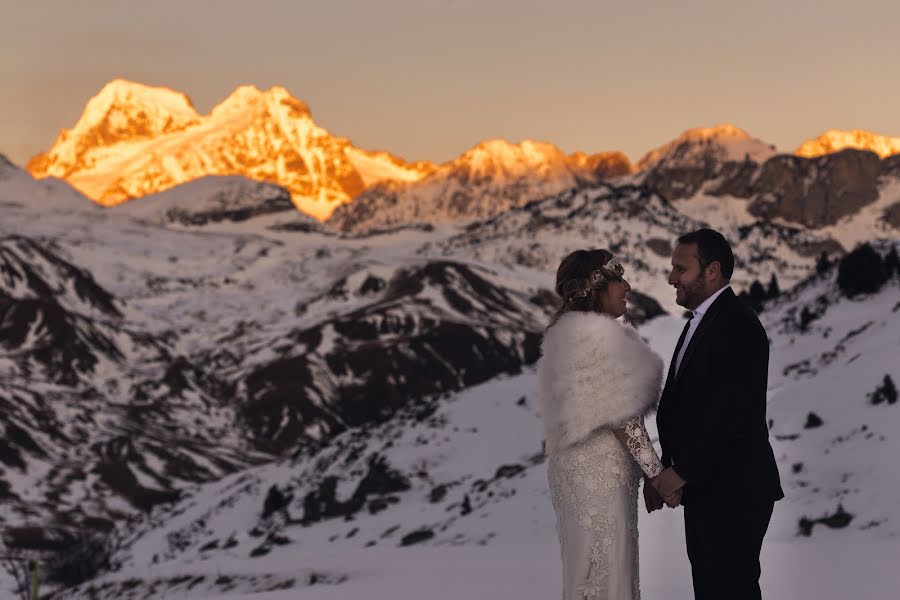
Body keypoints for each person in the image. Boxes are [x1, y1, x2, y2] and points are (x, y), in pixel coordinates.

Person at [537, 249, 681, 600]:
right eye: (619, 280)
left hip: (584, 469)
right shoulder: (596, 337)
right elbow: (622, 416)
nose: (628, 286)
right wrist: (657, 474)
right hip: (597, 473)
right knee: (606, 566)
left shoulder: (568, 335)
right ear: (595, 288)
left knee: (590, 565)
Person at [655, 228, 784, 600]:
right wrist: (671, 468)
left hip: (734, 492)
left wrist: (679, 473)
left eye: (681, 269)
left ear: (711, 271)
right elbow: (688, 407)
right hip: (711, 489)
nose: (671, 278)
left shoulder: (737, 324)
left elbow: (729, 415)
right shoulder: (703, 321)